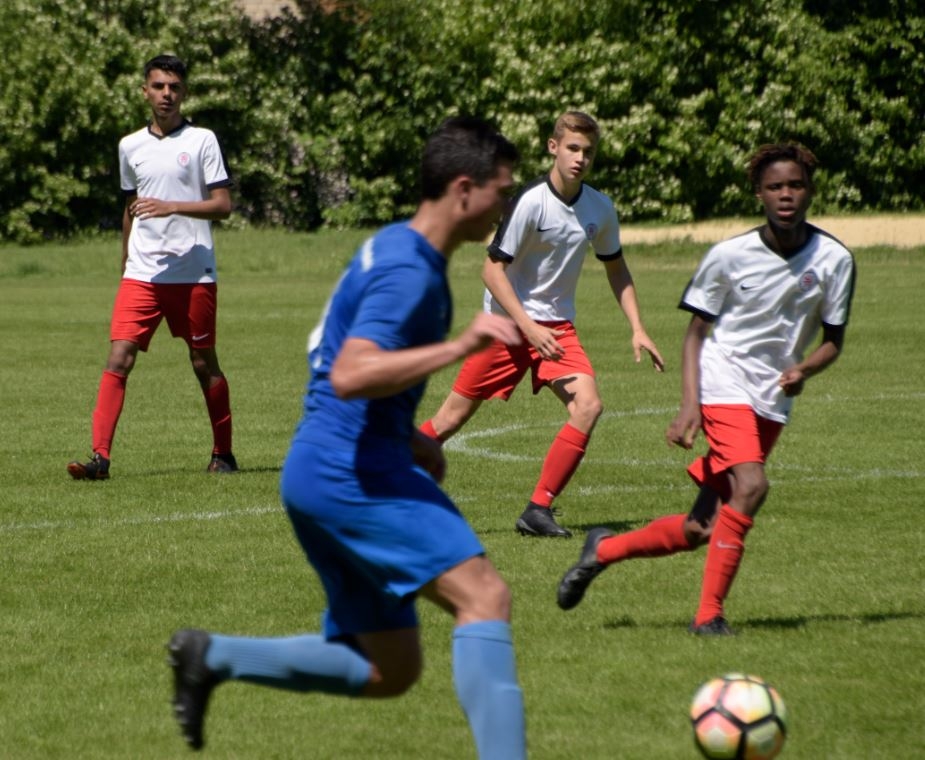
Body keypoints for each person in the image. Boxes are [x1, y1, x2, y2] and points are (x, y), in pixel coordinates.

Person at [166, 117, 527, 758]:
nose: (505, 206)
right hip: (351, 473)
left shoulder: (393, 246)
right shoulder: (410, 271)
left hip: (323, 466)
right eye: (501, 191)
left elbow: (341, 367)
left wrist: (409, 438)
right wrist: (460, 346)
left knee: (389, 668)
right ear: (464, 189)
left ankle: (213, 656)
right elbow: (352, 372)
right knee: (485, 596)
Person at [556, 142, 856, 635]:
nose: (786, 195)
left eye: (795, 185)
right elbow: (696, 333)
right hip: (723, 380)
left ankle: (602, 550)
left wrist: (805, 370)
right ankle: (709, 617)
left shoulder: (835, 259)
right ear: (759, 193)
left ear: (810, 191)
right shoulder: (729, 256)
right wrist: (689, 405)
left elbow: (833, 341)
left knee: (701, 527)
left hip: (772, 399)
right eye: (775, 187)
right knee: (752, 486)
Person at [419, 111, 664, 538]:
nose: (580, 158)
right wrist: (528, 328)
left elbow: (616, 268)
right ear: (554, 147)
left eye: (588, 151)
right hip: (506, 325)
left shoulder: (600, 208)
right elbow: (491, 270)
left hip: (558, 330)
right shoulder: (531, 201)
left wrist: (638, 327)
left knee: (588, 406)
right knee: (448, 420)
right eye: (573, 148)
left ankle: (538, 510)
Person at [67, 54, 236, 480]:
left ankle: (223, 454)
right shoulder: (130, 146)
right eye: (158, 86)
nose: (166, 94)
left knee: (203, 363)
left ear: (185, 93)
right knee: (119, 357)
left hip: (193, 274)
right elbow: (132, 207)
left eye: (174, 87)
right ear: (145, 91)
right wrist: (126, 261)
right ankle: (100, 459)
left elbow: (223, 205)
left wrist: (172, 206)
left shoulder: (202, 140)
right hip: (141, 276)